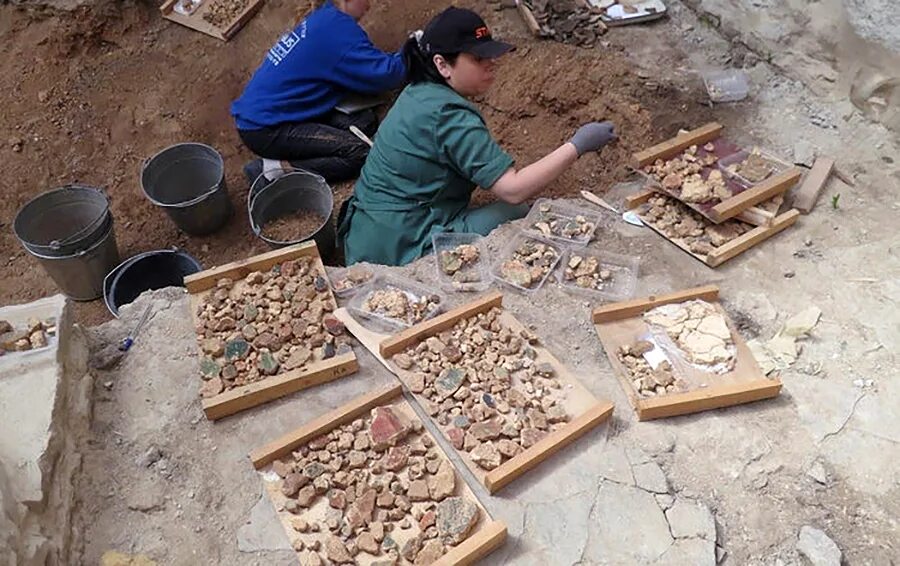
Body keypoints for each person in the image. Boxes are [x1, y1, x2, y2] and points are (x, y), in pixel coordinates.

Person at [338, 7, 616, 266]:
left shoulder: (418, 91)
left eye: (490, 54)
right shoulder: (449, 116)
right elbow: (513, 189)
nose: (491, 63)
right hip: (394, 249)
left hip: (365, 232)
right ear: (443, 64)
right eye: (477, 58)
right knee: (516, 214)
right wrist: (578, 145)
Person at [231, 0, 406, 184]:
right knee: (359, 153)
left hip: (277, 112)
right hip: (265, 129)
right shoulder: (337, 30)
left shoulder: (325, 16)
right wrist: (415, 49)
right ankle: (274, 169)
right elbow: (388, 75)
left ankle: (296, 154)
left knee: (364, 122)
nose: (369, 5)